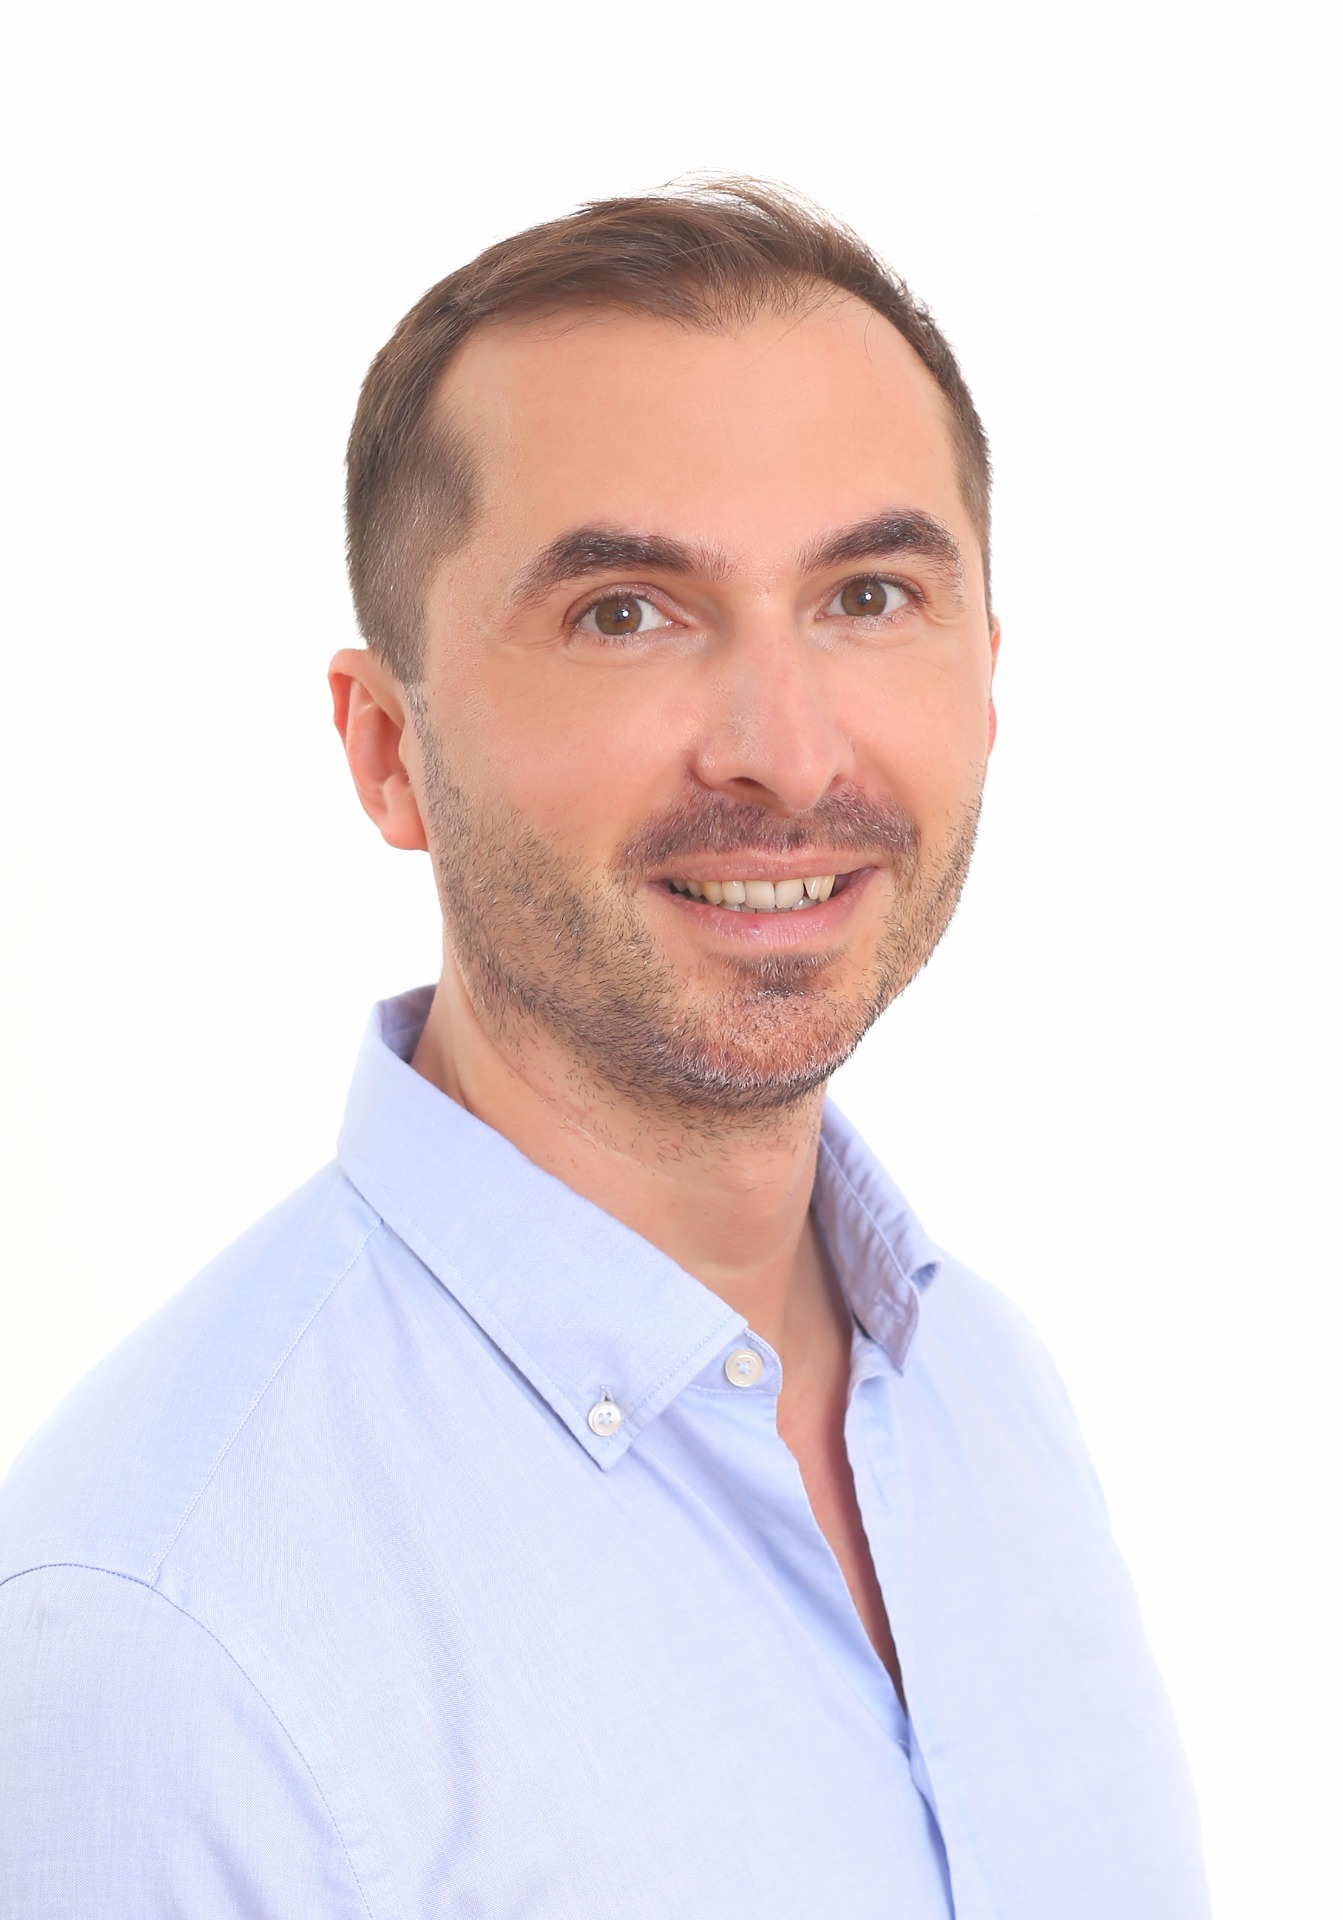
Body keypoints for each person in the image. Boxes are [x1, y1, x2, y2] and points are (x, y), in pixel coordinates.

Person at [0, 181, 1209, 1918]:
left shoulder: (985, 1396)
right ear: (387, 749)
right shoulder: (162, 1644)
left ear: (990, 678)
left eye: (869, 595)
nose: (789, 754)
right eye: (626, 612)